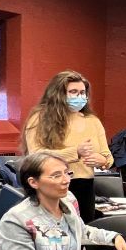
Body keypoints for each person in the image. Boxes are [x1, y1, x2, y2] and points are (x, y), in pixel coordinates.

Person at [23, 71, 112, 225]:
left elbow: (107, 156)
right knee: (53, 238)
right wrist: (75, 152)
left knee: (80, 236)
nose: (79, 96)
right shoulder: (39, 117)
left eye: (83, 92)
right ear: (58, 94)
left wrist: (103, 160)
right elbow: (35, 155)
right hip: (51, 186)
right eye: (73, 92)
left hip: (85, 187)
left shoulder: (93, 121)